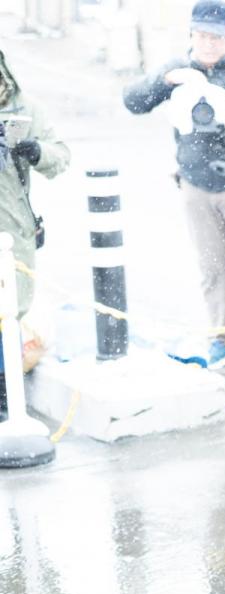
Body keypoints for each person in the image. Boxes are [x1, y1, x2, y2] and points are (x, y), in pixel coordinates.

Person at [122, 0, 225, 367]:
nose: (209, 43)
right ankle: (222, 341)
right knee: (211, 270)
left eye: (218, 36)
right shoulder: (179, 69)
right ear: (191, 34)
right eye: (203, 35)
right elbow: (132, 101)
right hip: (195, 186)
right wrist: (164, 81)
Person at [0, 48, 69, 419]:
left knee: (11, 313)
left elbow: (61, 157)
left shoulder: (24, 108)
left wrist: (36, 151)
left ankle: (7, 393)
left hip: (13, 231)